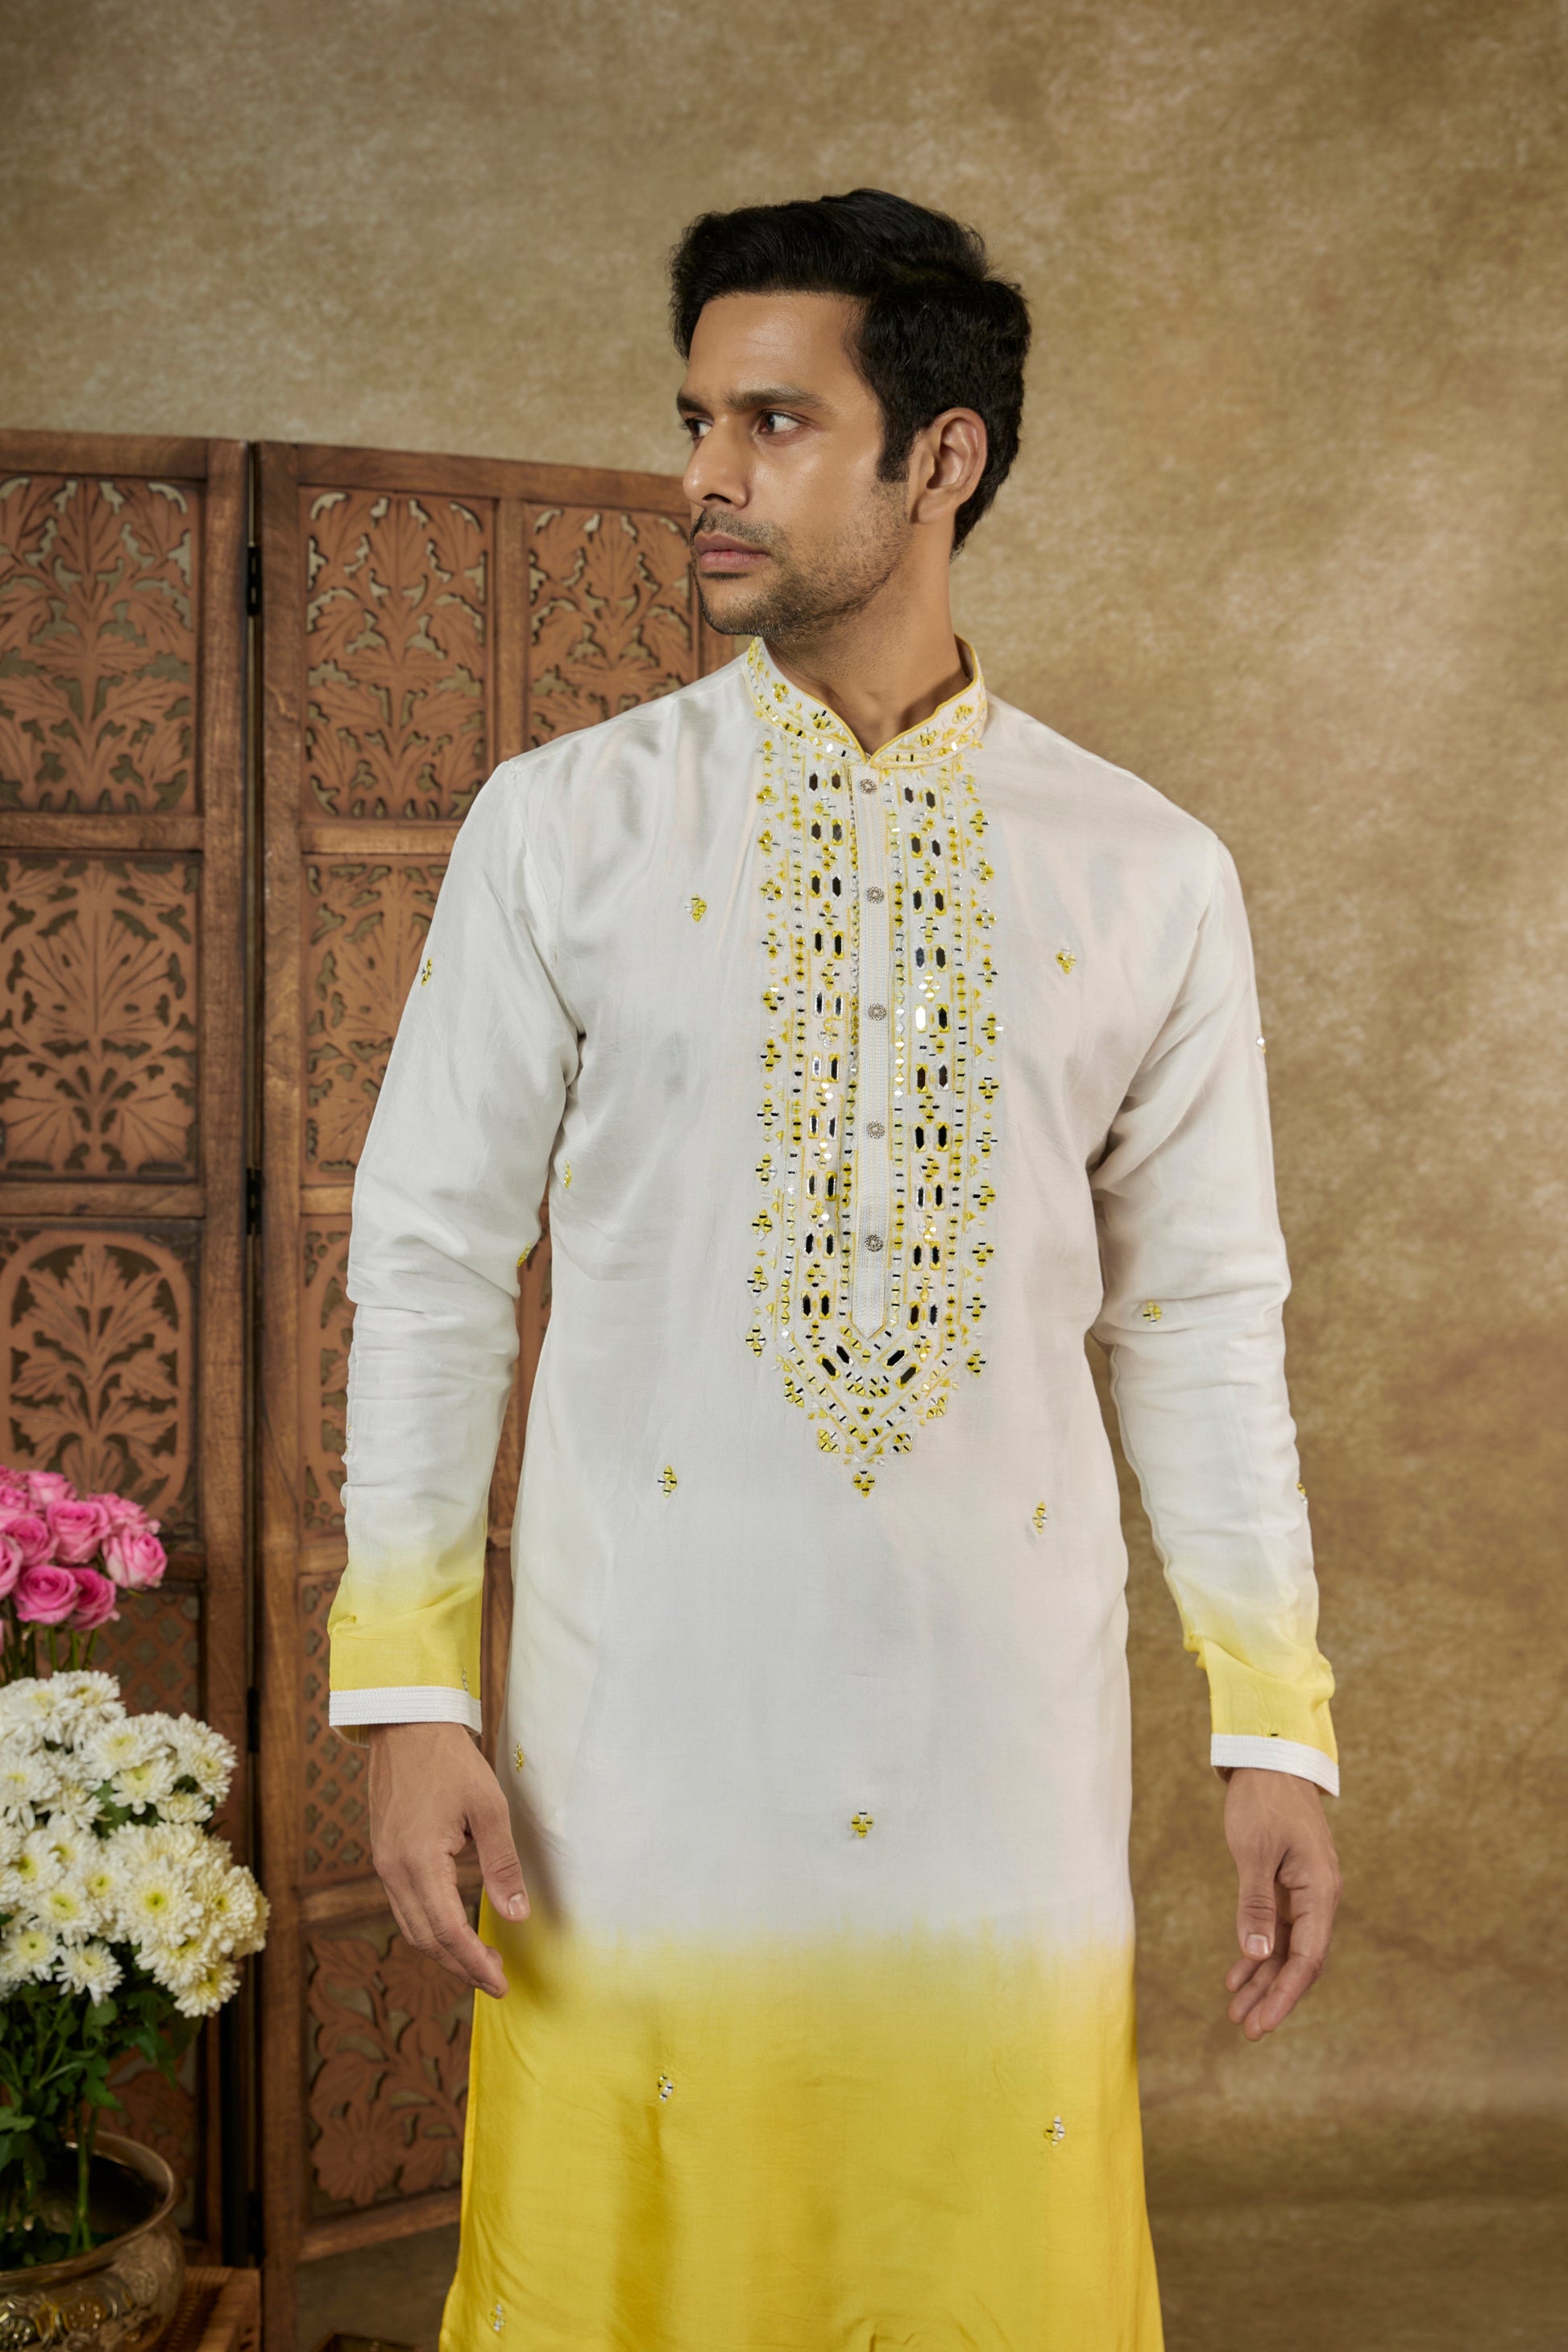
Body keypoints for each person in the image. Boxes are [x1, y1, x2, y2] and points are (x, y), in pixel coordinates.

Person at [328, 189, 1341, 2350]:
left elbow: (1199, 1319)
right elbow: (424, 1258)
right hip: (640, 1734)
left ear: (939, 457)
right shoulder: (564, 827)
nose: (705, 476)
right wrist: (409, 1691)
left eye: (773, 423)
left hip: (997, 1743)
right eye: (696, 420)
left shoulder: (1147, 873)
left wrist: (1275, 1722)